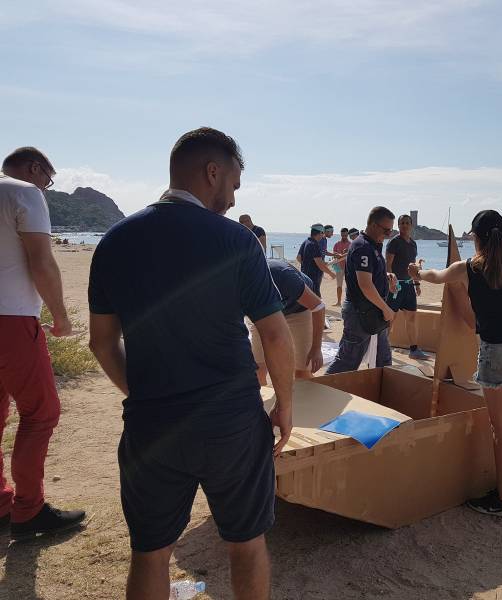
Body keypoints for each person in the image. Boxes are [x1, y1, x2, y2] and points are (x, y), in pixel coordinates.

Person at [88, 127, 294, 600]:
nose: (231, 197)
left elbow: (102, 343)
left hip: (152, 426)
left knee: (151, 552)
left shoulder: (115, 242)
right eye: (234, 185)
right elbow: (276, 335)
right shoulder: (237, 241)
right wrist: (285, 403)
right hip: (232, 423)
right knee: (246, 544)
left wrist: (142, 394)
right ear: (212, 172)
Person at [409, 210, 502, 519]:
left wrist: (415, 272)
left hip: (498, 351)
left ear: (474, 238)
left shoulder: (465, 269)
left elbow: (433, 277)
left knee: (501, 427)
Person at [0, 147, 86, 539]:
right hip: (13, 318)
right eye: (48, 182)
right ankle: (28, 511)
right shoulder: (23, 192)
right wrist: (61, 318)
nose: (46, 190)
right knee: (41, 412)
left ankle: (2, 503)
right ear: (36, 168)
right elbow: (41, 260)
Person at [327, 207, 398, 374]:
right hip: (361, 313)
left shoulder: (374, 244)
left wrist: (386, 276)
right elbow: (365, 285)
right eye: (386, 230)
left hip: (373, 311)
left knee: (383, 360)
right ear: (373, 225)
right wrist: (386, 308)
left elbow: (369, 276)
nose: (388, 234)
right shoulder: (363, 246)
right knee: (347, 362)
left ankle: (385, 396)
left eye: (391, 230)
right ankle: (323, 394)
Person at [248, 259, 326, 382]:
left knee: (302, 372)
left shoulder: (283, 276)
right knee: (257, 370)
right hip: (265, 315)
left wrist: (316, 348)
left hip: (299, 310)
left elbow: (319, 307)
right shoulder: (238, 283)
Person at [386, 214, 428, 360]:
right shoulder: (394, 242)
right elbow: (388, 264)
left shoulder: (413, 244)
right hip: (396, 286)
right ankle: (382, 346)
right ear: (398, 225)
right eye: (402, 223)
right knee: (391, 317)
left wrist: (417, 284)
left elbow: (413, 267)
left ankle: (414, 349)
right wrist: (391, 281)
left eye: (407, 223)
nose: (404, 225)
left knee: (411, 317)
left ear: (411, 225)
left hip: (409, 285)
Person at [297, 224, 335, 296]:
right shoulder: (314, 244)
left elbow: (298, 258)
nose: (323, 235)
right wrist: (331, 273)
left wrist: (307, 265)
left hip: (304, 275)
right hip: (313, 278)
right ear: (320, 233)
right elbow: (320, 264)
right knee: (316, 300)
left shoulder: (306, 241)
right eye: (322, 233)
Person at [332, 227, 352, 307]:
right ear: (340, 234)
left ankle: (348, 302)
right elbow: (334, 255)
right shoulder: (337, 244)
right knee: (339, 285)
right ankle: (338, 302)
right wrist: (337, 255)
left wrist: (347, 252)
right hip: (339, 267)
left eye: (345, 235)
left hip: (348, 268)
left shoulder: (351, 244)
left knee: (349, 285)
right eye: (342, 235)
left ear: (347, 235)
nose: (344, 236)